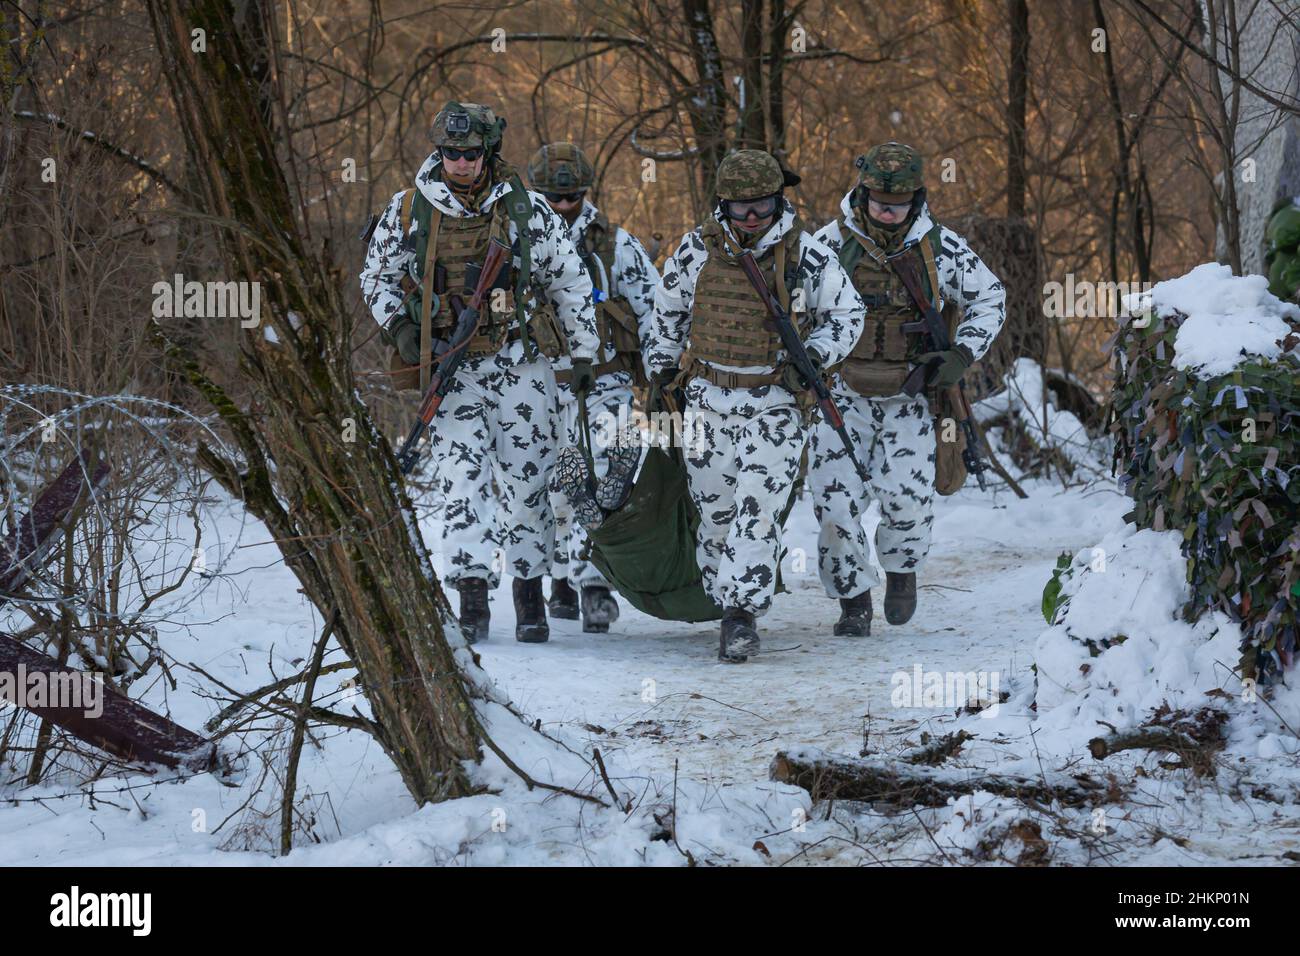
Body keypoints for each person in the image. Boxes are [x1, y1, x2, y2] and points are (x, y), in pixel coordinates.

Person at [359, 102, 599, 644]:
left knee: (528, 484)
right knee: (460, 482)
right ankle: (471, 595)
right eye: (450, 153)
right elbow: (376, 278)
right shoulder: (407, 211)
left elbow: (569, 282)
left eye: (469, 154)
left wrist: (582, 354)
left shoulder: (527, 211)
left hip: (520, 364)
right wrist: (401, 331)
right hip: (453, 367)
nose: (460, 163)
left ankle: (529, 596)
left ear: (486, 152)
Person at [645, 149, 865, 663]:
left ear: (778, 200)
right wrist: (659, 370)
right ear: (722, 203)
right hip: (706, 398)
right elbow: (667, 314)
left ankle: (741, 616)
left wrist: (813, 356)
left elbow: (848, 314)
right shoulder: (694, 252)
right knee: (716, 513)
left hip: (775, 401)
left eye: (761, 206)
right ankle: (727, 603)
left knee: (756, 510)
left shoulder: (807, 255)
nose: (750, 218)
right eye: (740, 207)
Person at [810, 142, 1006, 636]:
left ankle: (901, 573)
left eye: (898, 204)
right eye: (879, 202)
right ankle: (853, 599)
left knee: (907, 498)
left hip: (911, 398)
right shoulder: (828, 244)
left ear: (916, 199)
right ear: (863, 192)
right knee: (835, 505)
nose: (888, 212)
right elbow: (790, 306)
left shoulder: (938, 246)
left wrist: (961, 354)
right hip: (842, 396)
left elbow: (990, 298)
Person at [527, 143, 660, 633]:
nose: (564, 207)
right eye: (553, 198)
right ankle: (559, 580)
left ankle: (596, 585)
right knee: (551, 490)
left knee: (604, 481)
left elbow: (653, 311)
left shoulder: (615, 246)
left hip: (605, 382)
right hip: (536, 386)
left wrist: (661, 376)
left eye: (573, 197)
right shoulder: (516, 244)